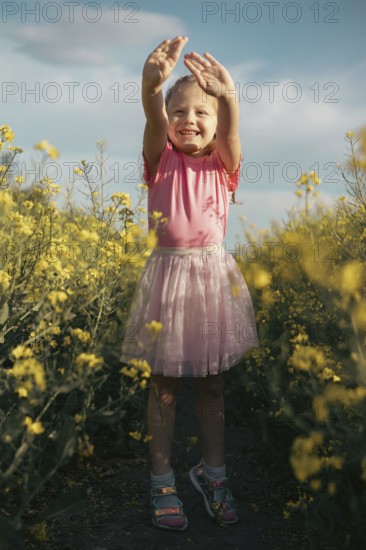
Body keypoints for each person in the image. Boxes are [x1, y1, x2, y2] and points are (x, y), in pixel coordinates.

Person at [120, 36, 259, 531]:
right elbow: (154, 120)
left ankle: (213, 475)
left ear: (217, 125)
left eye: (202, 113)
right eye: (179, 111)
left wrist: (230, 97)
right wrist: (150, 87)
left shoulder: (225, 167)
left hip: (211, 282)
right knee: (163, 388)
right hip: (167, 281)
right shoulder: (161, 160)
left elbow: (234, 133)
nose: (189, 120)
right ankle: (162, 482)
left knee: (212, 385)